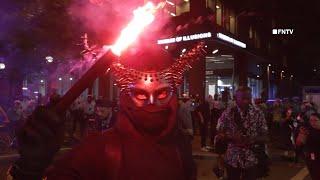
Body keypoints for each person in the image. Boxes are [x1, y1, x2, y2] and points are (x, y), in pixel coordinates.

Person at [9, 43, 205, 179]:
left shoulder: (180, 146)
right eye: (141, 95)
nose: (151, 103)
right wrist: (29, 170)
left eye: (162, 93)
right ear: (125, 97)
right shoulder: (98, 150)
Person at [215, 86, 269, 180]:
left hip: (251, 158)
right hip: (233, 158)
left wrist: (252, 139)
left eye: (248, 98)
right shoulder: (228, 113)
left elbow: (265, 136)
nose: (246, 101)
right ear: (235, 98)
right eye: (243, 98)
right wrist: (231, 136)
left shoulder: (258, 113)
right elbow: (219, 132)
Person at [296, 113, 320, 179]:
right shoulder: (308, 130)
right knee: (315, 175)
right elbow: (299, 143)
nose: (313, 122)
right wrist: (301, 134)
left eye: (315, 120)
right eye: (311, 120)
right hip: (312, 157)